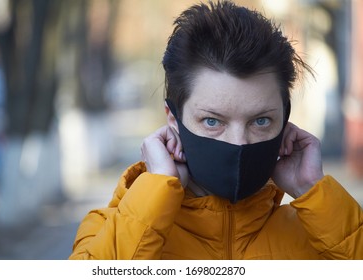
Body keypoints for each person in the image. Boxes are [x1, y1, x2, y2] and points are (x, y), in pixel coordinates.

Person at [69, 0, 363, 259]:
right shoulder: (107, 230)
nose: (238, 143)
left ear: (285, 121)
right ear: (173, 119)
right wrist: (157, 188)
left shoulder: (321, 237)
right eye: (213, 121)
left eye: (260, 121)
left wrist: (312, 190)